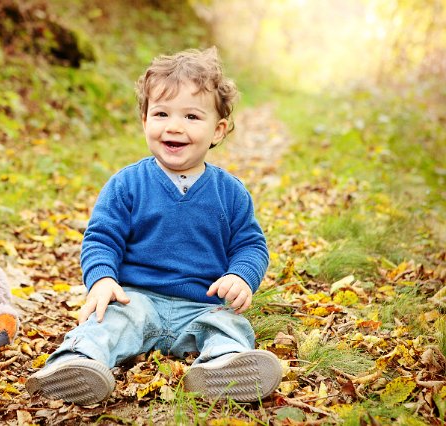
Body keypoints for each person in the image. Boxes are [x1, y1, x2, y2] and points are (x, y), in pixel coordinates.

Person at [26, 46, 282, 405]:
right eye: (162, 113)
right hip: (137, 298)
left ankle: (221, 367)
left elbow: (250, 245)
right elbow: (102, 238)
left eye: (192, 117)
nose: (174, 126)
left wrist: (242, 276)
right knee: (109, 321)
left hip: (202, 304)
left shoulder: (230, 192)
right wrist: (101, 280)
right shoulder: (127, 184)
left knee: (230, 325)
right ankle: (77, 363)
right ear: (145, 120)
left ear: (218, 130)